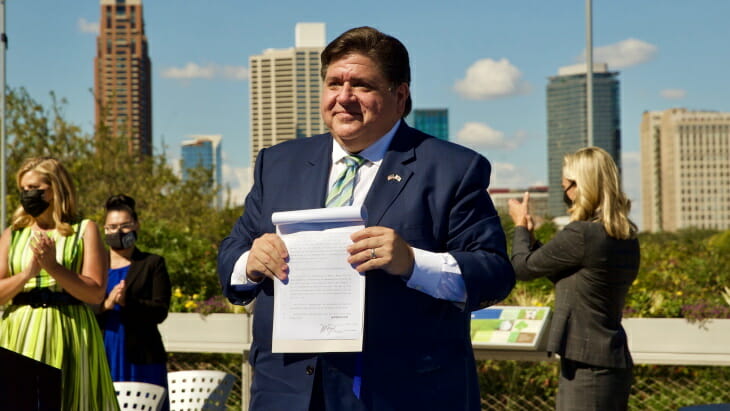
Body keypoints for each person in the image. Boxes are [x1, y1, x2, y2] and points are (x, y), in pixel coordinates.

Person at [218, 26, 515, 411]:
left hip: (403, 394)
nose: (344, 97)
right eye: (334, 83)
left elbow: (494, 273)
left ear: (400, 95)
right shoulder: (277, 163)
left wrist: (413, 262)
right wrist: (250, 263)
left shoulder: (452, 168)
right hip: (287, 394)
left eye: (361, 85)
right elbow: (231, 257)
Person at [508, 147, 640, 411]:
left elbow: (521, 269)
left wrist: (520, 226)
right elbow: (565, 272)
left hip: (588, 366)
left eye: (565, 187)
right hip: (606, 360)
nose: (565, 194)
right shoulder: (623, 235)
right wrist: (534, 242)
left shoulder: (582, 233)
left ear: (580, 187)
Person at [0, 156, 119, 410]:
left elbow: (96, 293)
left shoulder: (84, 230)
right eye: (24, 189)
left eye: (36, 189)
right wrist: (25, 275)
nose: (28, 195)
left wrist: (53, 267)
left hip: (70, 330)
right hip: (19, 331)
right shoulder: (13, 233)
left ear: (56, 189)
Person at [97, 194, 171, 402]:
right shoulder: (96, 264)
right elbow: (84, 305)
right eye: (111, 227)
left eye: (125, 225)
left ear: (137, 225)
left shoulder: (152, 263)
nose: (117, 232)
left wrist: (126, 302)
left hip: (142, 355)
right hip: (104, 350)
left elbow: (160, 310)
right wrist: (106, 304)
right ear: (104, 229)